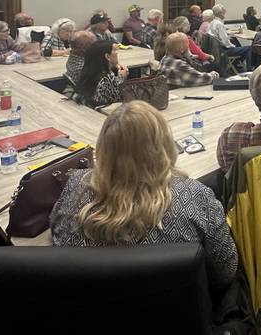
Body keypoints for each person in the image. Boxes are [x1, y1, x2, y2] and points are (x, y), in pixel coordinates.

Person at [50, 100, 237, 290]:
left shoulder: (76, 185)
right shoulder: (195, 196)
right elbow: (226, 272)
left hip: (85, 312)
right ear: (164, 145)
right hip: (177, 315)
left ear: (103, 148)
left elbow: (57, 243)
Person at [76, 40, 129, 107]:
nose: (117, 53)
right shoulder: (107, 78)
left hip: (91, 108)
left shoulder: (91, 71)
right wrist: (122, 77)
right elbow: (117, 99)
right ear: (107, 56)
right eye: (115, 51)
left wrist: (113, 66)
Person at [208, 3, 252, 70]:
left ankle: (236, 64)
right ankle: (249, 69)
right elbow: (226, 43)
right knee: (249, 48)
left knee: (235, 41)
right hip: (224, 50)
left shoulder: (212, 22)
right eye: (224, 12)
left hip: (217, 49)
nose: (225, 14)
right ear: (220, 13)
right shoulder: (219, 24)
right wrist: (234, 46)